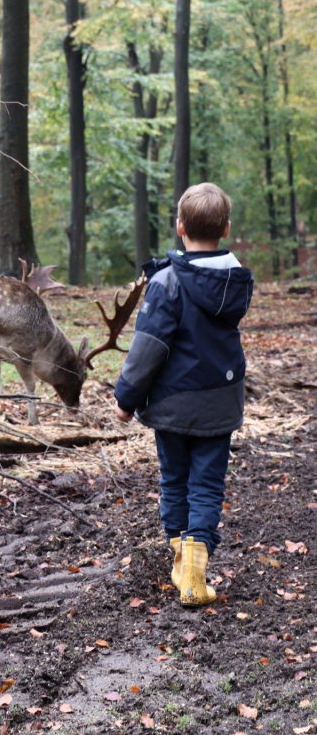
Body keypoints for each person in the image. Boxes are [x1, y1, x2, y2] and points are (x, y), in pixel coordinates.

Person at [113, 183, 254, 607]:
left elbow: (148, 348)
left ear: (179, 227)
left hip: (173, 404)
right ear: (226, 229)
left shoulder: (167, 282)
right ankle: (194, 572)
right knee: (207, 486)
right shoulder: (234, 281)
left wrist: (125, 397)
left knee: (174, 479)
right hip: (219, 403)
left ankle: (181, 564)